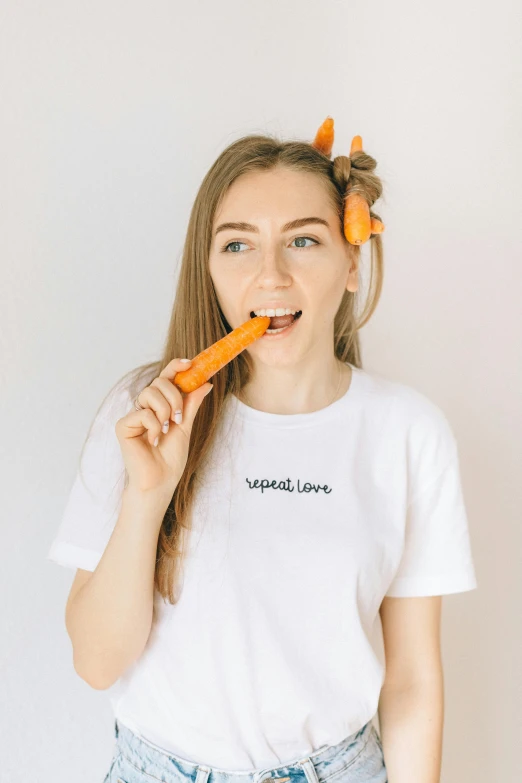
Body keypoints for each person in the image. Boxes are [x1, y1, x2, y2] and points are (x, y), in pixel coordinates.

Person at [47, 118, 478, 783]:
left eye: (303, 240)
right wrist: (148, 494)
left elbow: (414, 679)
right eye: (238, 245)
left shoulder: (409, 432)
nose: (270, 274)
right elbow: (97, 663)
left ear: (352, 263)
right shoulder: (142, 412)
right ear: (209, 267)